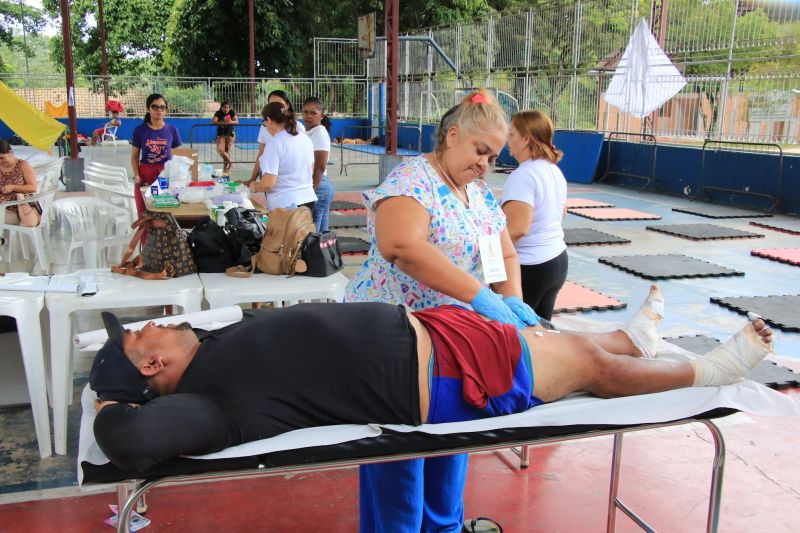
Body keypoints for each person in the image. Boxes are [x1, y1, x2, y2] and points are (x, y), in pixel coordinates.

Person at [90, 287, 774, 477]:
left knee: (567, 341)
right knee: (588, 371)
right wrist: (112, 396)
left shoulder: (210, 346)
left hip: (429, 333)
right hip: (440, 375)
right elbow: (130, 438)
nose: (152, 324)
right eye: (137, 336)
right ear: (150, 366)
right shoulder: (210, 403)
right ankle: (711, 370)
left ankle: (634, 338)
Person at [344, 89, 539, 532]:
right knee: (401, 458)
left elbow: (504, 255)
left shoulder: (481, 196)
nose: (486, 164)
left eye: (494, 156)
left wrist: (511, 299)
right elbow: (401, 246)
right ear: (452, 135)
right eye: (480, 151)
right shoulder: (413, 180)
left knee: (452, 443)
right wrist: (480, 297)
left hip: (449, 343)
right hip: (392, 339)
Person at [502, 110, 568, 321]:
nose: (508, 140)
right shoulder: (553, 170)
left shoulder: (523, 175)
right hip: (557, 260)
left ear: (525, 139)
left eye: (511, 135)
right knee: (541, 331)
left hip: (531, 267)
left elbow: (517, 228)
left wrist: (486, 260)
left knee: (517, 332)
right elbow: (561, 213)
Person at [249, 102, 316, 211]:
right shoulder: (305, 138)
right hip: (308, 199)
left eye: (264, 122)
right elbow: (311, 169)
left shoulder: (275, 143)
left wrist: (255, 186)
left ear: (269, 120)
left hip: (286, 203)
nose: (264, 126)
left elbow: (268, 184)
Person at [130, 94, 182, 216]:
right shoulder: (140, 130)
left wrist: (178, 176)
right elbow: (134, 156)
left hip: (164, 175)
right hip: (145, 174)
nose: (159, 110)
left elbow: (178, 156)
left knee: (164, 212)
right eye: (155, 107)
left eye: (162, 107)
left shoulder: (172, 130)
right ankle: (144, 236)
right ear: (148, 109)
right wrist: (137, 175)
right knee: (145, 213)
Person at [249, 90, 305, 184]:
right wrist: (252, 180)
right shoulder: (264, 127)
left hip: (290, 181)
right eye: (272, 104)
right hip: (269, 177)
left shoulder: (298, 127)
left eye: (279, 104)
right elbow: (261, 154)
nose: (275, 107)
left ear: (287, 105)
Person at [302, 97, 334, 231]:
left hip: (318, 186)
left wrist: (310, 191)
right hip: (316, 185)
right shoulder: (308, 131)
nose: (308, 116)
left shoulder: (320, 133)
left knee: (314, 236)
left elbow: (320, 166)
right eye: (305, 112)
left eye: (313, 113)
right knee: (320, 237)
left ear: (321, 115)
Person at [0, 140, 41, 228]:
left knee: (29, 222)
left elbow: (33, 188)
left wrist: (13, 187)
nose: (0, 161)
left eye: (2, 158)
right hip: (3, 206)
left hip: (20, 205)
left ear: (10, 152)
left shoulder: (22, 165)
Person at [211, 102, 238, 172]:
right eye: (224, 107)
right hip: (221, 133)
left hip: (230, 133)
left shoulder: (231, 112)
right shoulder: (218, 113)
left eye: (227, 107)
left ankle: (225, 168)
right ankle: (230, 162)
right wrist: (223, 122)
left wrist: (230, 122)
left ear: (229, 108)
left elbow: (236, 121)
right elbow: (213, 121)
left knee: (227, 151)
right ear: (221, 107)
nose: (226, 109)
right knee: (220, 150)